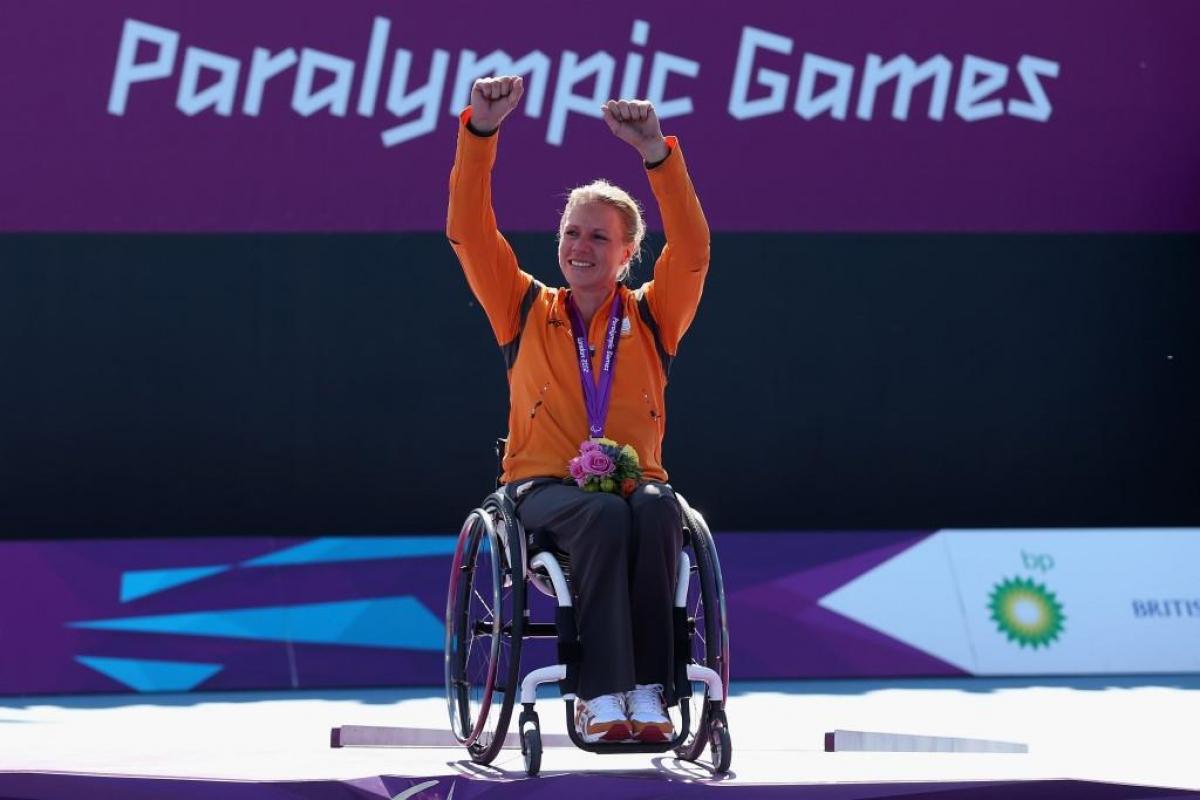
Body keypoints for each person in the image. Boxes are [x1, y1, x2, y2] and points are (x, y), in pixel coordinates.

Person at [447, 75, 709, 744]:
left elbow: (695, 251)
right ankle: (598, 696)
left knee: (654, 507)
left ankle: (651, 692)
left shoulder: (653, 314)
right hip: (541, 491)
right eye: (571, 232)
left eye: (599, 236)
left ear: (628, 253)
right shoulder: (524, 307)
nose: (580, 246)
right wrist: (480, 133)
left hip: (634, 487)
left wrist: (657, 153)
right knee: (600, 512)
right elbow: (469, 233)